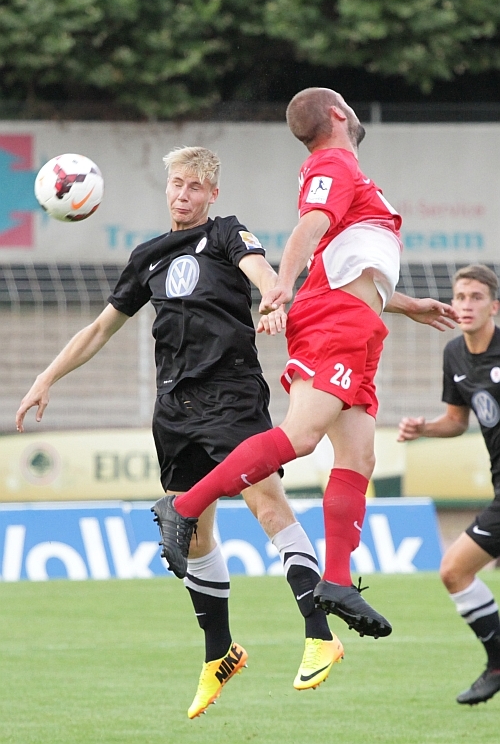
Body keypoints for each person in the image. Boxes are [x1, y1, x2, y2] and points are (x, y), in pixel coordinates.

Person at [15, 146, 344, 719]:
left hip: (231, 394)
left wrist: (274, 296)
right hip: (174, 407)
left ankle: (320, 634)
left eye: (195, 186)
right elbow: (100, 328)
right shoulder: (148, 256)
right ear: (166, 188)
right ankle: (221, 653)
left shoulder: (225, 233)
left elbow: (260, 270)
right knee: (191, 535)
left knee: (268, 507)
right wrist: (46, 378)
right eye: (176, 184)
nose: (183, 195)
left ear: (212, 193)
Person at [151, 88, 459, 641]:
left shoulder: (346, 173)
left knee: (359, 455)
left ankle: (336, 580)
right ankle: (186, 506)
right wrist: (282, 286)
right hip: (335, 320)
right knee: (301, 436)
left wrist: (407, 304)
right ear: (339, 114)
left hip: (359, 321)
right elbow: (309, 228)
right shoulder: (334, 162)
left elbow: (348, 262)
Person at [398, 264, 500, 705]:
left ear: (494, 307)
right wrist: (424, 429)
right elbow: (457, 421)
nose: (466, 305)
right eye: (460, 297)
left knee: (455, 569)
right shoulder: (455, 354)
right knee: (454, 571)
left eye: (476, 297)